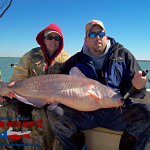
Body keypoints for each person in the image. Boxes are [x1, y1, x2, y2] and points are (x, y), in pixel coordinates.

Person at [47, 20, 150, 150]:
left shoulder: (123, 55)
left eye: (101, 34)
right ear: (85, 40)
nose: (97, 37)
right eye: (92, 35)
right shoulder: (74, 61)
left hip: (117, 113)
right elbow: (57, 84)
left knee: (148, 113)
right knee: (54, 112)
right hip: (84, 114)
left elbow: (139, 93)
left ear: (106, 37)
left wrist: (138, 86)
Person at [0, 23, 70, 150]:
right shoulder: (30, 55)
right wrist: (10, 91)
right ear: (43, 39)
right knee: (6, 111)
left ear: (61, 41)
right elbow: (18, 78)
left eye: (57, 38)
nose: (53, 40)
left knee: (40, 116)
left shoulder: (67, 59)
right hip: (26, 97)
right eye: (50, 37)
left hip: (51, 103)